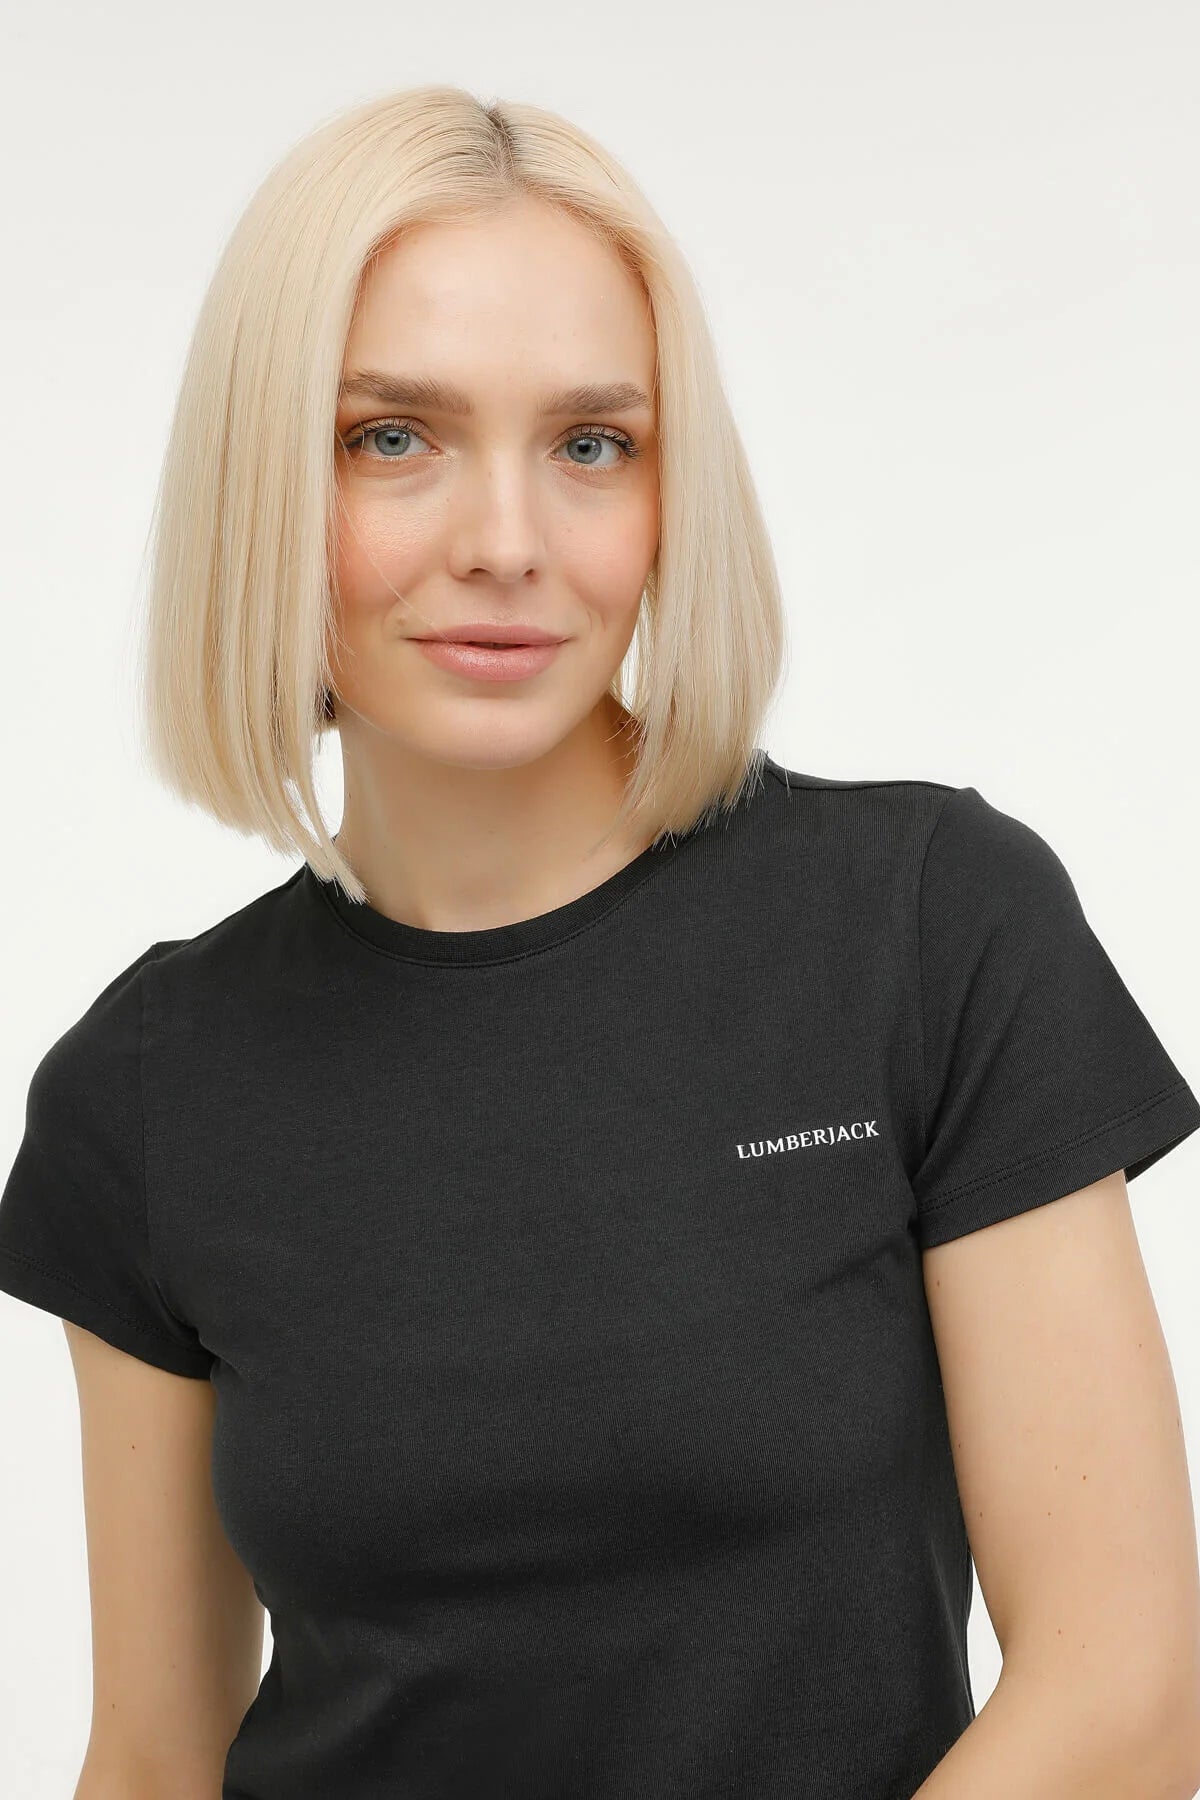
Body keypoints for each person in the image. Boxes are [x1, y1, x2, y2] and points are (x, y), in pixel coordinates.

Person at [2, 84, 1199, 1800]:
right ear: (261, 481)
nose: (506, 544)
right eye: (391, 437)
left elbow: (1127, 1700)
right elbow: (150, 1756)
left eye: (590, 445)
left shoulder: (929, 925)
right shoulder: (144, 1088)